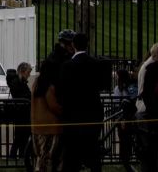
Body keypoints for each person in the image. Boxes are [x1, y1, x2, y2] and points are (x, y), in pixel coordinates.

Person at [57, 31, 104, 172]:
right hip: (92, 114)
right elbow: (100, 86)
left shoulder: (67, 66)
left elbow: (62, 91)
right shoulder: (95, 64)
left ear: (73, 44)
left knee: (72, 156)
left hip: (73, 116)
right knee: (93, 153)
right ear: (87, 44)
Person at [31, 59, 65, 172]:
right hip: (51, 127)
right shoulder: (49, 86)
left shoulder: (36, 83)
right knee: (51, 158)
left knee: (41, 157)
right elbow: (54, 106)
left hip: (37, 126)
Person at [9, 63, 33, 162]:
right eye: (28, 72)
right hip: (21, 113)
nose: (29, 74)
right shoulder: (17, 82)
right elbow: (22, 96)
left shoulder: (21, 82)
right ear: (23, 72)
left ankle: (21, 155)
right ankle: (14, 155)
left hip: (23, 112)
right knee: (20, 136)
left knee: (23, 135)